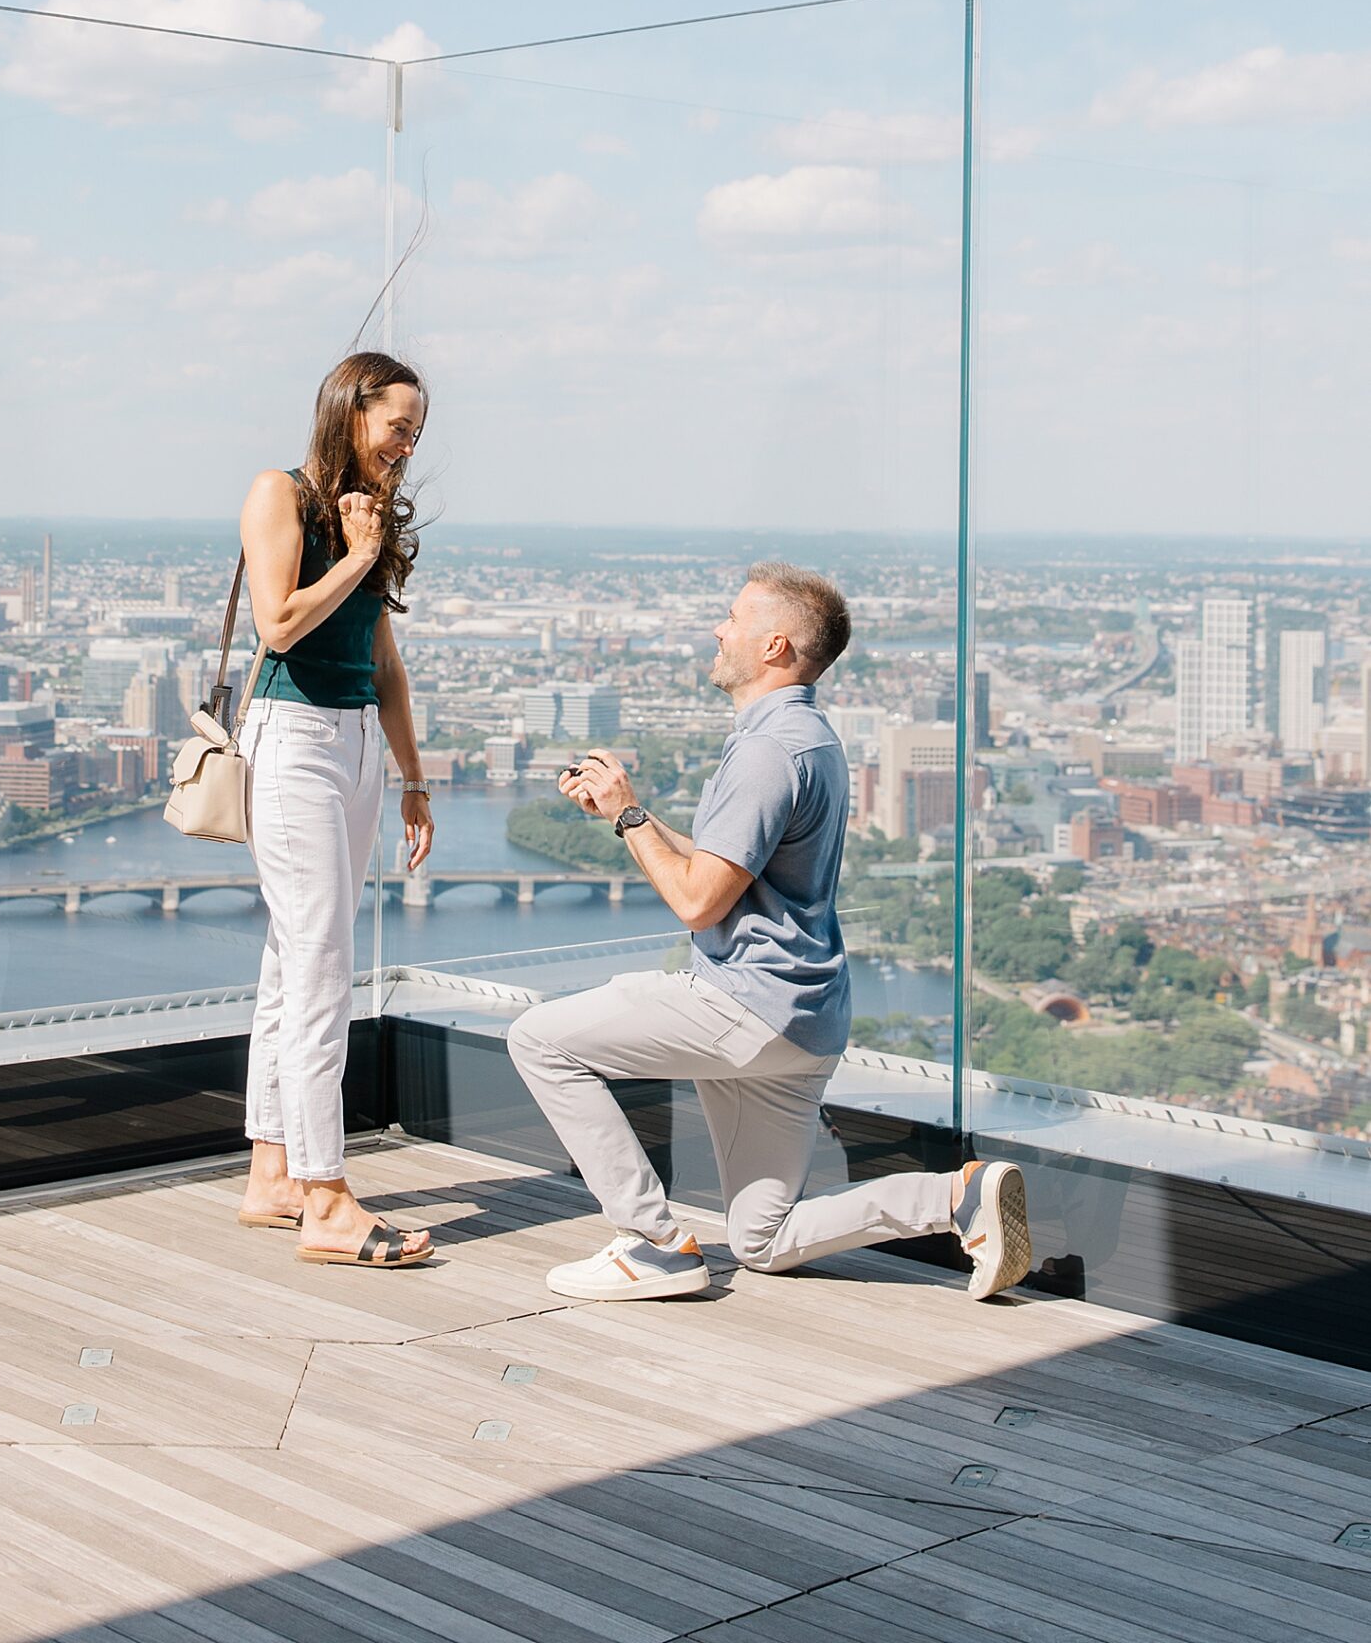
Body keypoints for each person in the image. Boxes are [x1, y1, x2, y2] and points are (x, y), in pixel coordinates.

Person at [507, 561, 1030, 1304]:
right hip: (802, 1020)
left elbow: (698, 904)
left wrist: (628, 818)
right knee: (762, 1241)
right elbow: (728, 868)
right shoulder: (804, 736)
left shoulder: (763, 752)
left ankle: (653, 1243)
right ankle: (954, 1199)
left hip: (740, 1005)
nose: (719, 630)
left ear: (774, 647)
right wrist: (627, 811)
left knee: (539, 1040)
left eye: (733, 619)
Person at [234, 351, 437, 1268]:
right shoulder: (280, 495)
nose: (406, 445)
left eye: (416, 432)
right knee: (322, 966)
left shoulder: (371, 513)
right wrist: (353, 553)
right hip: (292, 742)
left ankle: (272, 1174)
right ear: (349, 412)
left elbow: (383, 660)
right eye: (397, 425)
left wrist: (411, 776)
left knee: (294, 961)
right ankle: (325, 1194)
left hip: (354, 745)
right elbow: (276, 626)